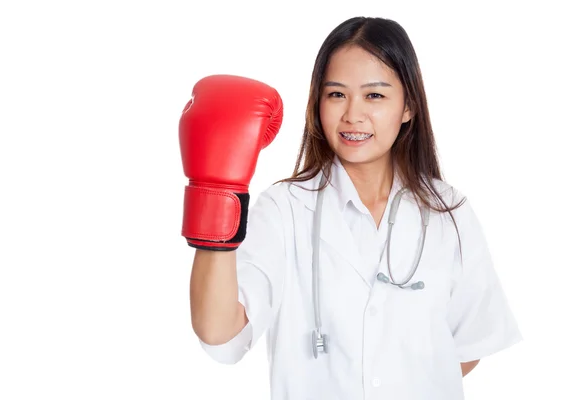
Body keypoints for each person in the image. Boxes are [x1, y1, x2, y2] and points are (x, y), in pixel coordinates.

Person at [179, 16, 522, 400]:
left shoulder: (449, 211)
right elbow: (220, 334)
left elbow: (468, 345)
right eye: (336, 94)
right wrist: (216, 192)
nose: (352, 115)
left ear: (408, 107)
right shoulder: (284, 209)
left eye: (374, 95)